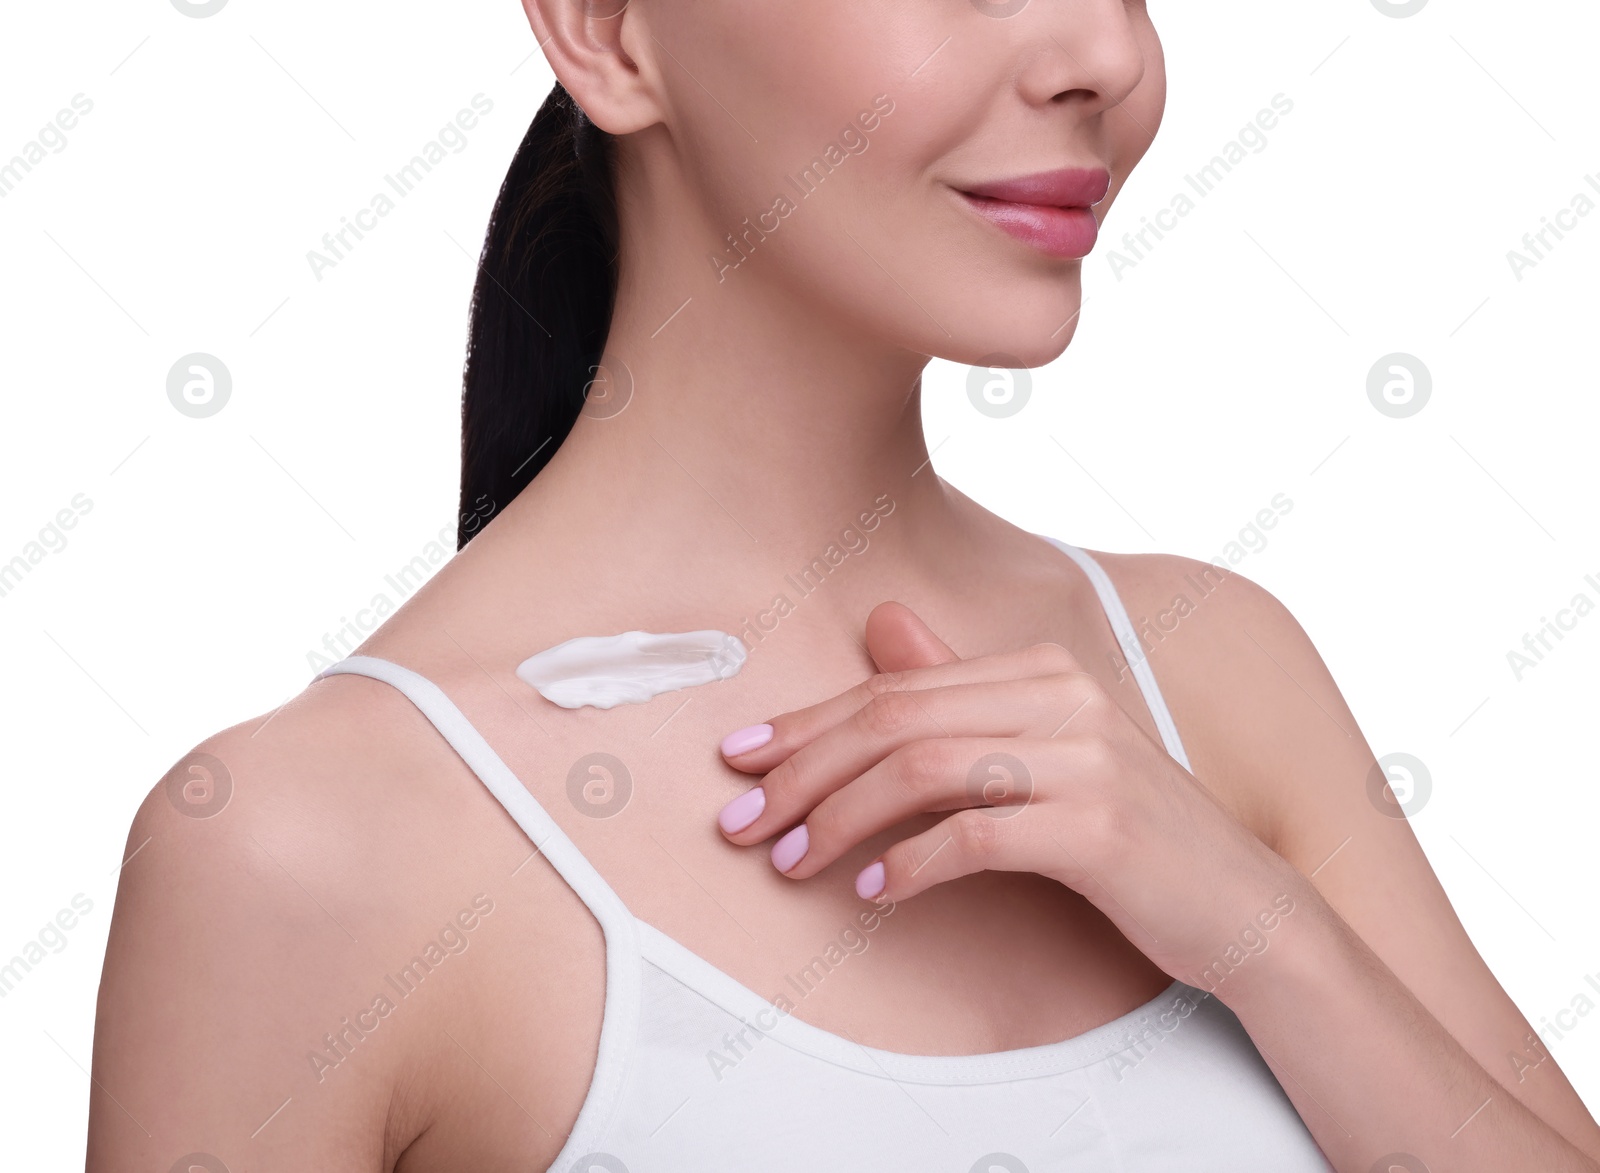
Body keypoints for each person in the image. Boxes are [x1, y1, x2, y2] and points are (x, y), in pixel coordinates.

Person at [88, 1, 1600, 1170]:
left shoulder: (1218, 672)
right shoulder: (302, 854)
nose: (1102, 56)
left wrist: (1257, 928)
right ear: (611, 31)